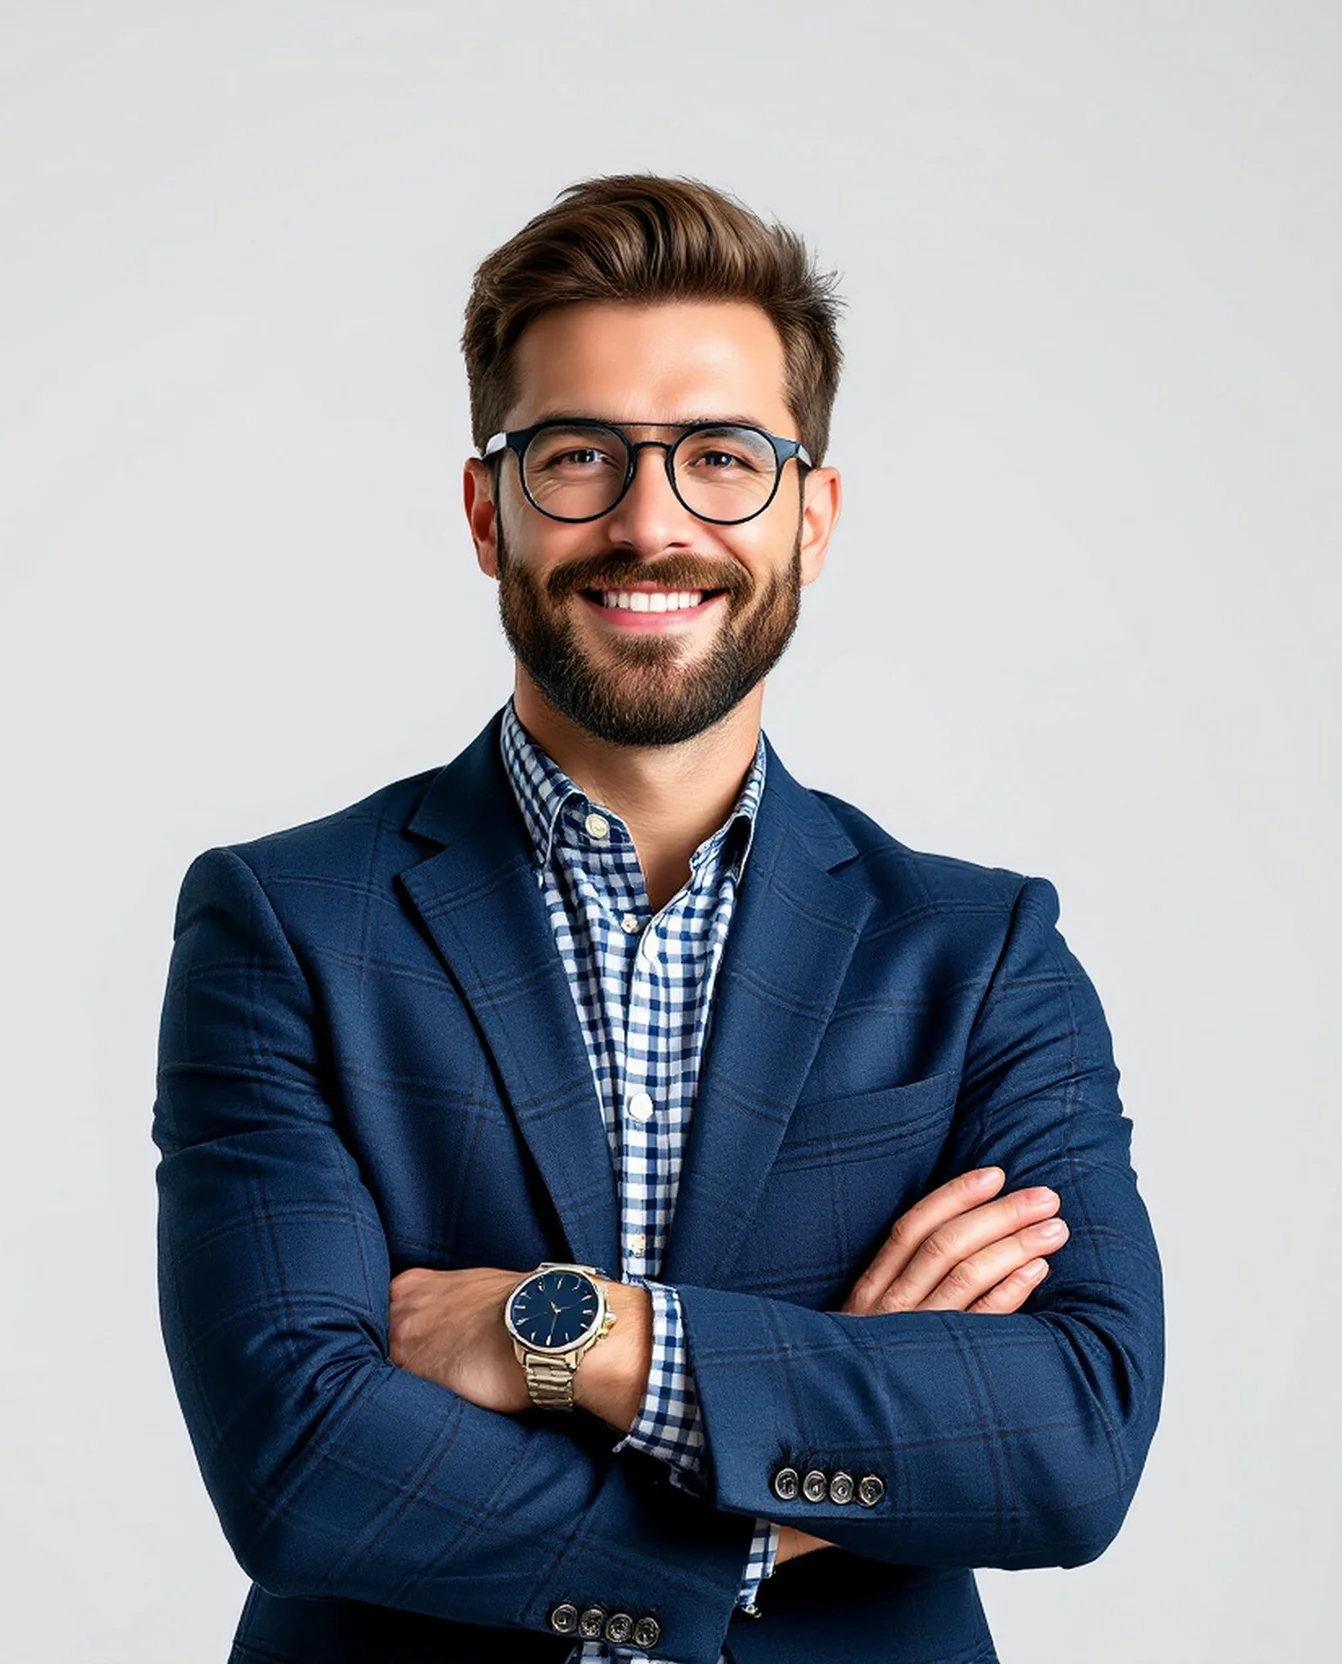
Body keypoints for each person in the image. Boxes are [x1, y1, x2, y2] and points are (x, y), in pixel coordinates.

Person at [152, 173, 1165, 1664]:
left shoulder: (980, 955)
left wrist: (557, 1333)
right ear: (489, 510)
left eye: (720, 458)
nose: (650, 522)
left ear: (810, 517)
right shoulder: (288, 925)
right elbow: (300, 1464)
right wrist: (806, 1472)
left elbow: (1071, 1441)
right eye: (577, 457)